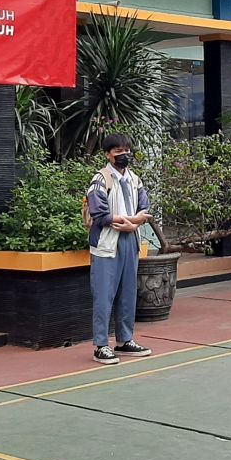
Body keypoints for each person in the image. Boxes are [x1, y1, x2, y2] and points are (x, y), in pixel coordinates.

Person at [88, 133, 153, 365]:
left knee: (128, 293)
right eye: (118, 151)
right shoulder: (100, 180)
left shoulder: (135, 179)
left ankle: (125, 340)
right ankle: (101, 345)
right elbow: (99, 213)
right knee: (104, 295)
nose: (124, 155)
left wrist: (132, 223)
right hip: (107, 244)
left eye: (126, 150)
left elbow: (145, 209)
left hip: (130, 241)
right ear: (108, 154)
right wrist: (128, 221)